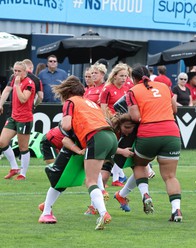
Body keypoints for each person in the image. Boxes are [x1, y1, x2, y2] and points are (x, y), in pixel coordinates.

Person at [52, 75, 118, 230]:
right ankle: (99, 200)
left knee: (90, 180)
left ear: (66, 92)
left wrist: (61, 125)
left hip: (97, 137)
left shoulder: (70, 102)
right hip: (111, 137)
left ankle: (103, 213)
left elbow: (67, 125)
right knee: (94, 174)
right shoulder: (90, 102)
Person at [126, 64, 183, 222]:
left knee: (139, 164)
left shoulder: (132, 91)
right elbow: (175, 109)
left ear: (133, 78)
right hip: (171, 132)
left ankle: (145, 194)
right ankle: (176, 210)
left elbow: (135, 117)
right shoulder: (164, 86)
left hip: (149, 133)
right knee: (170, 176)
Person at [1, 61, 36, 180]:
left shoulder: (29, 83)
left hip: (24, 118)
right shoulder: (14, 79)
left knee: (23, 147)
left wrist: (16, 85)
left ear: (25, 72)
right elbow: (6, 91)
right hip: (14, 116)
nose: (16, 73)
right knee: (2, 142)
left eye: (18, 71)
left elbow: (23, 99)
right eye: (14, 71)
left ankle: (23, 173)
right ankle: (14, 167)